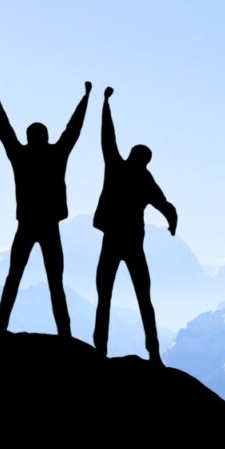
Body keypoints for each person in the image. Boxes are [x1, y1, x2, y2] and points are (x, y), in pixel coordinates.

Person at [0, 78, 90, 338]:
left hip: (26, 224)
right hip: (49, 226)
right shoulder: (57, 154)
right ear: (45, 137)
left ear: (29, 137)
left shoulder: (20, 155)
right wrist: (86, 97)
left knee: (14, 277)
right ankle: (64, 333)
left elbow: (4, 129)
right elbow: (73, 129)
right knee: (55, 282)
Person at [93, 87, 177, 365]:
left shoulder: (117, 167)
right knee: (144, 299)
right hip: (133, 244)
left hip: (112, 241)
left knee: (104, 296)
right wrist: (172, 224)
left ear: (132, 155)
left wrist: (105, 104)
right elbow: (166, 206)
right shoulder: (145, 179)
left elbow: (107, 136)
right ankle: (153, 353)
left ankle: (100, 351)